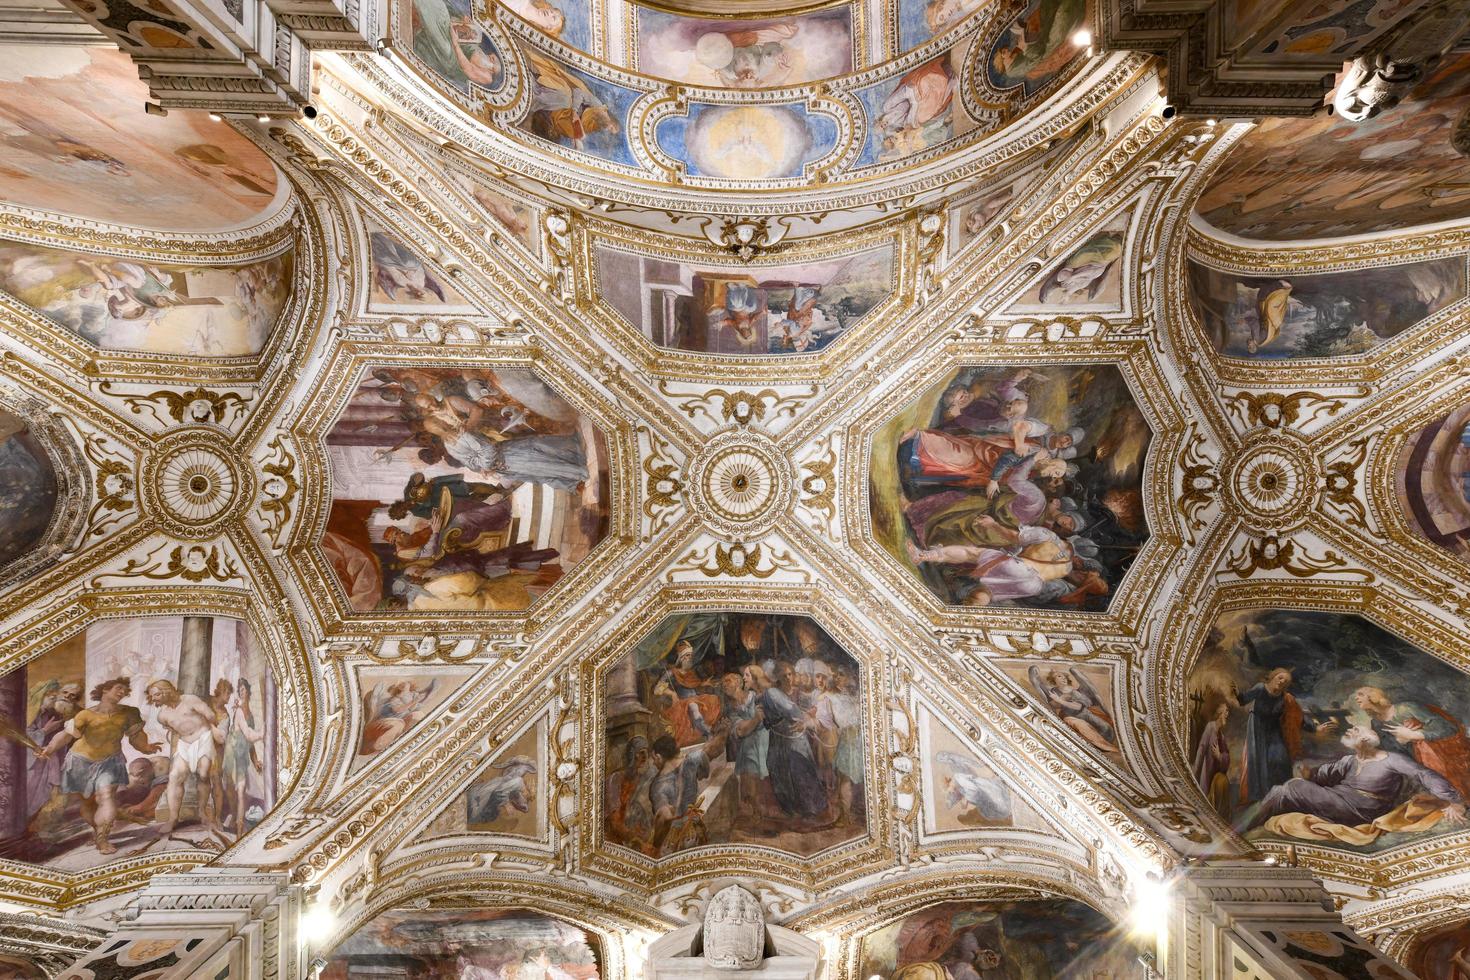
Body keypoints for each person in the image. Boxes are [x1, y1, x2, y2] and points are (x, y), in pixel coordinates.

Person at [1245, 726, 1466, 832]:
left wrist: (1453, 800)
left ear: (1366, 740)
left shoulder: (1391, 759)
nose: (1350, 730)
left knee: (1291, 787)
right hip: (1339, 800)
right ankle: (1248, 829)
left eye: (1355, 730)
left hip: (1362, 809)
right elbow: (1324, 775)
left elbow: (1423, 774)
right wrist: (1309, 775)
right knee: (1280, 790)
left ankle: (1246, 830)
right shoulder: (1350, 760)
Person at [36, 678, 161, 855]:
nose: (122, 692)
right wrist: (49, 748)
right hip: (80, 761)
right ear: (105, 690)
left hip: (110, 761)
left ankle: (102, 838)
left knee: (106, 796)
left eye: (125, 691)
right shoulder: (86, 714)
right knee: (87, 804)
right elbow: (65, 735)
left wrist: (146, 747)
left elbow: (136, 736)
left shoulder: (130, 712)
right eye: (118, 688)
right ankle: (97, 831)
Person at [1231, 668, 1337, 805]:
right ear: (1272, 676)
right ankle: (1261, 796)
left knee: (1280, 758)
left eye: (1286, 681)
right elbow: (1243, 700)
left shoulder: (1286, 698)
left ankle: (1283, 793)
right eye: (1280, 678)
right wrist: (1235, 692)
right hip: (1258, 730)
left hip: (1275, 731)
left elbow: (1299, 717)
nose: (1282, 682)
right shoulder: (1260, 688)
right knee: (1260, 761)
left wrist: (1315, 728)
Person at [1352, 686, 1470, 799]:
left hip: (1444, 755)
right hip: (1419, 765)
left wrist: (1414, 735)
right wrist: (1403, 742)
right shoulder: (1376, 723)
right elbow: (1392, 751)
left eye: (1361, 694)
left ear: (1373, 696)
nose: (1356, 698)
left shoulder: (1406, 708)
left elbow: (1448, 728)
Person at [145, 680, 224, 835]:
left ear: (167, 690)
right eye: (152, 696)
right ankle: (173, 818)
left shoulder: (190, 700)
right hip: (184, 744)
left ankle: (202, 812)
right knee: (174, 776)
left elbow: (211, 716)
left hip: (204, 738)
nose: (154, 699)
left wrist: (214, 734)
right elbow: (174, 731)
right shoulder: (162, 715)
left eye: (156, 694)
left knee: (203, 774)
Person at [760, 663, 829, 821]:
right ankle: (790, 809)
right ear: (777, 677)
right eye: (784, 675)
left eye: (790, 674)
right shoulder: (772, 694)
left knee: (800, 771)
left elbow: (811, 712)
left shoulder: (799, 694)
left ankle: (811, 809)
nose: (788, 678)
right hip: (778, 740)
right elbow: (769, 718)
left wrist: (806, 718)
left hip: (796, 740)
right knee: (778, 771)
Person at [721, 672, 769, 831]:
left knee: (762, 782)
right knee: (750, 781)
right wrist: (755, 719)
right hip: (748, 746)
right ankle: (757, 814)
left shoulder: (754, 696)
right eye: (723, 684)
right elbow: (740, 731)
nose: (724, 685)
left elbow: (766, 717)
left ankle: (761, 813)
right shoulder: (730, 708)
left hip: (764, 742)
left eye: (727, 681)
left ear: (738, 682)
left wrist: (753, 723)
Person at [655, 641, 723, 747]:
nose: (689, 658)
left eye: (690, 655)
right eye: (687, 655)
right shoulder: (671, 673)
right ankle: (708, 731)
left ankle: (707, 731)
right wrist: (672, 693)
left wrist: (704, 685)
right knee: (693, 705)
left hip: (695, 698)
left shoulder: (691, 673)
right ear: (680, 658)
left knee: (713, 699)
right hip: (683, 702)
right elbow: (657, 688)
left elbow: (694, 687)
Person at [605, 736, 656, 847]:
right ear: (631, 754)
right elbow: (614, 821)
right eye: (640, 752)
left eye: (646, 752)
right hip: (614, 840)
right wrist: (634, 838)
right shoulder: (615, 779)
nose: (644, 756)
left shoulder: (643, 780)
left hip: (637, 837)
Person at [466, 755, 537, 825]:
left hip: (477, 801)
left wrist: (527, 800)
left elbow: (518, 800)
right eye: (515, 769)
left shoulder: (515, 782)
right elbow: (500, 792)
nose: (515, 772)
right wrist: (507, 804)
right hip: (477, 801)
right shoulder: (515, 781)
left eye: (520, 770)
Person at [1193, 702, 1232, 819]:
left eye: (1228, 712)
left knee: (1223, 780)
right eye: (1225, 711)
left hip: (1216, 778)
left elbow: (1227, 759)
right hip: (1208, 776)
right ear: (1219, 712)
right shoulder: (1210, 727)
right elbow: (1201, 750)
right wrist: (1195, 774)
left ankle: (1221, 816)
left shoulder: (1222, 736)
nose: (1227, 714)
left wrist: (1220, 756)